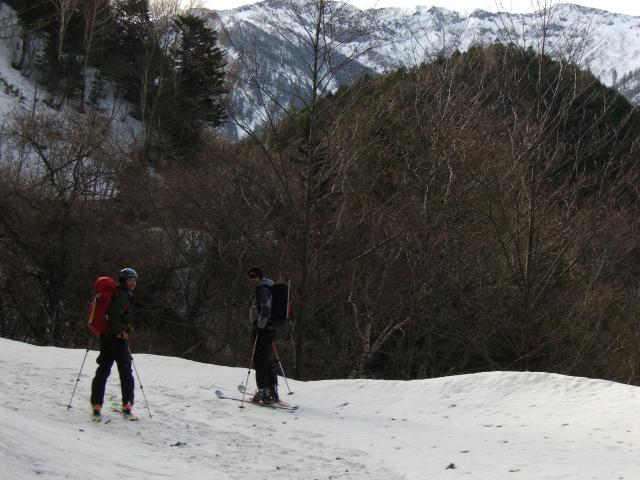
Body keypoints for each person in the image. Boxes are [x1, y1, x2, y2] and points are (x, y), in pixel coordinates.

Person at [90, 267, 138, 417]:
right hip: (115, 338)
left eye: (135, 280)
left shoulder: (115, 293)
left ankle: (96, 404)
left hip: (105, 336)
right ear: (124, 280)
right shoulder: (122, 295)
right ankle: (127, 403)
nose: (133, 283)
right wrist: (120, 333)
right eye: (130, 280)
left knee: (103, 369)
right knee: (126, 371)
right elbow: (114, 316)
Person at [248, 266, 280, 404]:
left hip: (263, 329)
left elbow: (266, 308)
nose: (252, 279)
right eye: (250, 276)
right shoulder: (268, 287)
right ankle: (272, 390)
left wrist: (260, 325)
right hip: (269, 328)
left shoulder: (262, 289)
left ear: (260, 277)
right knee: (266, 358)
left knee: (260, 359)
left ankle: (263, 391)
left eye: (254, 276)